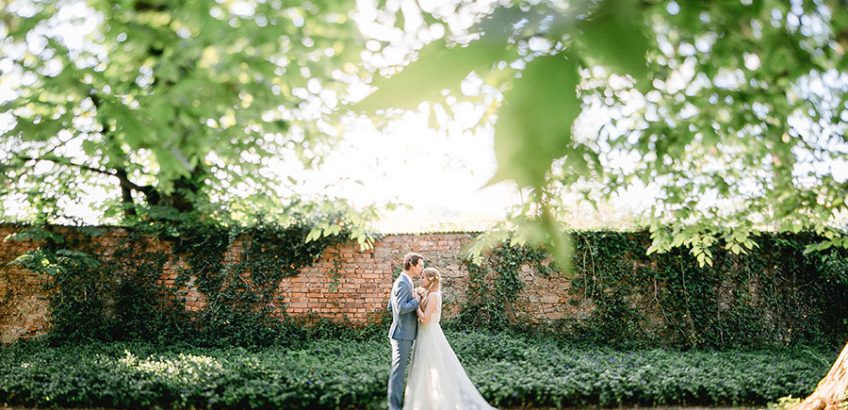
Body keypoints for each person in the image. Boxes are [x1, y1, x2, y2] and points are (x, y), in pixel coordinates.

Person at [403, 267, 497, 410]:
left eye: (423, 277)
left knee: (433, 367)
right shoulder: (430, 294)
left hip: (430, 335)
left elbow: (425, 319)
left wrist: (415, 304)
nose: (421, 279)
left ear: (430, 280)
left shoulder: (434, 296)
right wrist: (420, 298)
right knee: (424, 369)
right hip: (424, 335)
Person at [387, 252, 423, 410]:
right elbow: (401, 308)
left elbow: (391, 307)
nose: (422, 268)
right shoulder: (403, 283)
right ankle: (394, 407)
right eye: (420, 265)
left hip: (403, 333)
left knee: (400, 372)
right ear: (411, 264)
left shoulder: (403, 281)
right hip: (401, 335)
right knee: (398, 373)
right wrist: (417, 300)